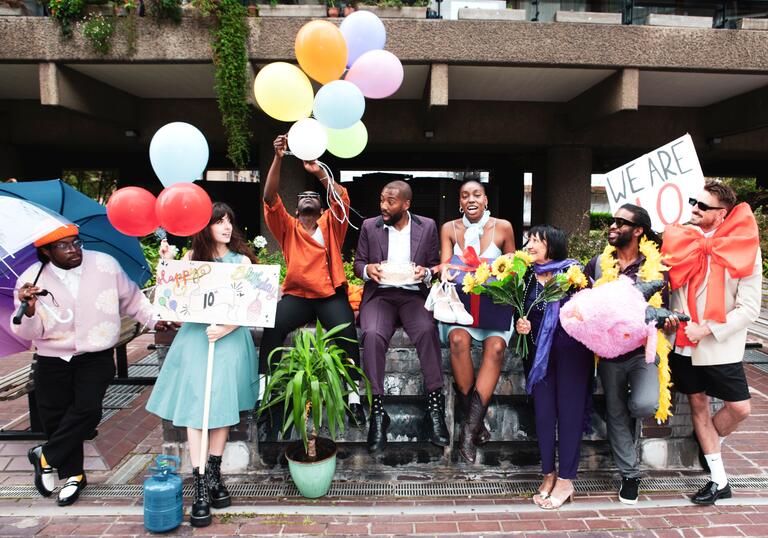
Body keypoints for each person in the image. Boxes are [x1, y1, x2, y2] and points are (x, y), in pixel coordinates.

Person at [11, 224, 174, 506]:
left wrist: (154, 319)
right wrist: (30, 309)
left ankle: (47, 455)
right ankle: (73, 476)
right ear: (46, 251)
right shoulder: (30, 280)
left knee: (87, 410)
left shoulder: (104, 265)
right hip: (52, 357)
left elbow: (133, 300)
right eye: (64, 246)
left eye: (76, 243)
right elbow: (27, 334)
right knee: (56, 417)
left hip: (95, 354)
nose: (74, 250)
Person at [146, 203, 259, 527]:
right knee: (197, 411)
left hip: (229, 342)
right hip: (197, 340)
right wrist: (165, 265)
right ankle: (198, 484)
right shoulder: (192, 260)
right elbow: (171, 299)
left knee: (222, 408)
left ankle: (214, 474)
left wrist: (227, 327)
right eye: (218, 221)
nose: (225, 227)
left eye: (229, 221)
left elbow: (253, 306)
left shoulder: (242, 261)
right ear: (205, 227)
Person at [663, 180, 762, 505]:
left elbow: (749, 308)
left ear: (721, 214)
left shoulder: (744, 245)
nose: (694, 208)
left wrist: (706, 330)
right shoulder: (679, 238)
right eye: (694, 201)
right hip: (681, 342)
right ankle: (719, 480)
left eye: (703, 206)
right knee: (697, 405)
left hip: (718, 343)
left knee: (740, 408)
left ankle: (707, 440)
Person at [259, 135, 364, 425]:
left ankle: (354, 398)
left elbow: (340, 199)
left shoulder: (332, 223)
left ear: (321, 209)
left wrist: (318, 172)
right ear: (294, 210)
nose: (308, 197)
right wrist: (278, 158)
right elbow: (269, 198)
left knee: (347, 334)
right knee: (272, 328)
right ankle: (264, 393)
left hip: (330, 295)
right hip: (297, 296)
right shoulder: (288, 227)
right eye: (301, 197)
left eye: (313, 197)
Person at [354, 180, 449, 452]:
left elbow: (433, 264)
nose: (384, 206)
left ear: (406, 204)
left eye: (391, 201)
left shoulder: (427, 226)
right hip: (380, 296)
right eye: (382, 199)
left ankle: (435, 411)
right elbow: (358, 262)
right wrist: (367, 269)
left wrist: (427, 273)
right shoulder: (370, 226)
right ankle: (377, 412)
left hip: (412, 295)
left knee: (427, 330)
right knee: (371, 335)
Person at [584, 204, 668, 505]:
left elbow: (664, 311)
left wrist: (667, 320)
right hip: (609, 353)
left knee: (643, 404)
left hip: (643, 351)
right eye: (612, 220)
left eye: (621, 222)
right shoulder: (596, 264)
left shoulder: (656, 268)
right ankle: (630, 475)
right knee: (616, 413)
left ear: (639, 230)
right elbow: (581, 301)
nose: (613, 226)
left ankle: (630, 446)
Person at [438, 180, 516, 463]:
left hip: (494, 308)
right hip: (461, 307)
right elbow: (445, 265)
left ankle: (467, 431)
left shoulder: (503, 227)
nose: (471, 199)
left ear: (485, 199)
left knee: (495, 348)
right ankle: (476, 424)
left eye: (476, 195)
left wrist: (499, 272)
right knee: (458, 340)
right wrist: (446, 272)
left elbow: (514, 267)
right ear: (459, 201)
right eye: (465, 196)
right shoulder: (449, 228)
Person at [515, 225, 592, 510]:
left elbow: (591, 312)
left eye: (537, 240)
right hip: (538, 357)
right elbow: (519, 312)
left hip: (572, 355)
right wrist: (520, 324)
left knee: (569, 414)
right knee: (544, 414)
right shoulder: (524, 275)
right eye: (529, 240)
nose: (530, 244)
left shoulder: (575, 275)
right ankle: (548, 473)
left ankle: (567, 479)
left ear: (554, 246)